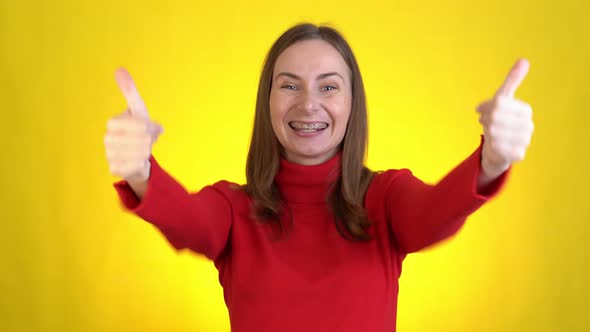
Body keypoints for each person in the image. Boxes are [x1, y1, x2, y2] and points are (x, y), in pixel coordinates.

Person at [104, 23, 534, 332]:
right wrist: (141, 172)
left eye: (328, 87)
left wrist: (491, 160)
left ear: (352, 103)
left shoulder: (385, 198)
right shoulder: (233, 209)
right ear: (267, 100)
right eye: (289, 86)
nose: (308, 104)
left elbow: (435, 211)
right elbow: (189, 220)